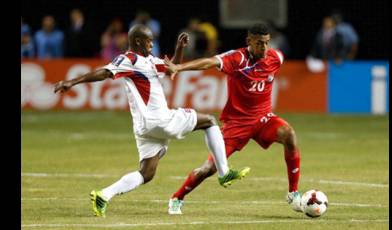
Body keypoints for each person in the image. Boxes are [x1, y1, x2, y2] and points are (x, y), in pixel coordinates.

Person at [53, 25, 250, 217]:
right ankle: (224, 173)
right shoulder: (128, 58)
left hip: (144, 127)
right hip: (158, 119)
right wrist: (72, 82)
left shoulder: (149, 60)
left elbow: (172, 68)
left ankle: (104, 195)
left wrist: (179, 49)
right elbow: (105, 72)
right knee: (209, 121)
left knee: (146, 173)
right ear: (138, 41)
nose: (152, 43)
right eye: (149, 40)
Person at [164, 23, 302, 215]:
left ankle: (293, 193)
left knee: (289, 134)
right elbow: (209, 62)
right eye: (259, 43)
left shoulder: (276, 57)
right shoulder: (236, 58)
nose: (264, 48)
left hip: (263, 118)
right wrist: (179, 67)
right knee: (209, 168)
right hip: (236, 124)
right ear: (249, 41)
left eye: (267, 43)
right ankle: (177, 198)